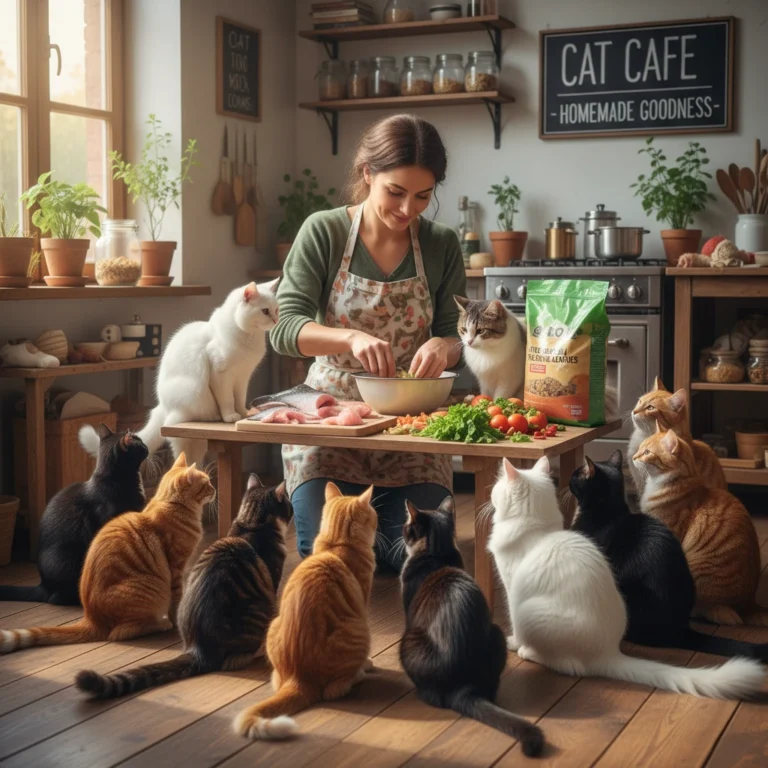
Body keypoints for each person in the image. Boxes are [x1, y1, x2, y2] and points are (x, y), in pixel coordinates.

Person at [270, 114, 467, 569]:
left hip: (411, 427)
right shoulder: (324, 231)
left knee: (415, 557)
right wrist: (350, 337)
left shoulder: (440, 243)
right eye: (395, 192)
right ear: (367, 174)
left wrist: (445, 345)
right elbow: (285, 328)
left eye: (423, 196)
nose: (408, 209)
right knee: (329, 554)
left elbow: (456, 333)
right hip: (331, 423)